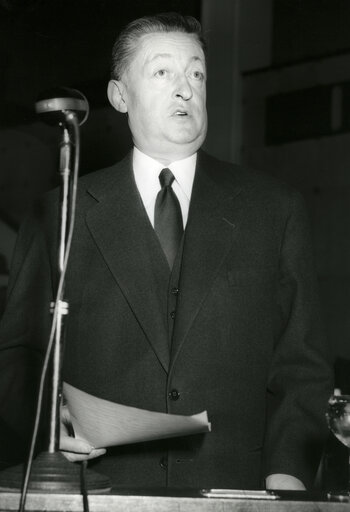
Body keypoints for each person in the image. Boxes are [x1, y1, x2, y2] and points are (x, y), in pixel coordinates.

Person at [0, 12, 333, 491]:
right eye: (163, 72)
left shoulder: (273, 209)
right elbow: (17, 356)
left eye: (196, 73)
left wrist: (287, 480)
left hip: (240, 492)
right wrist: (52, 423)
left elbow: (303, 367)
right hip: (96, 490)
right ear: (119, 96)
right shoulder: (58, 214)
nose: (186, 89)